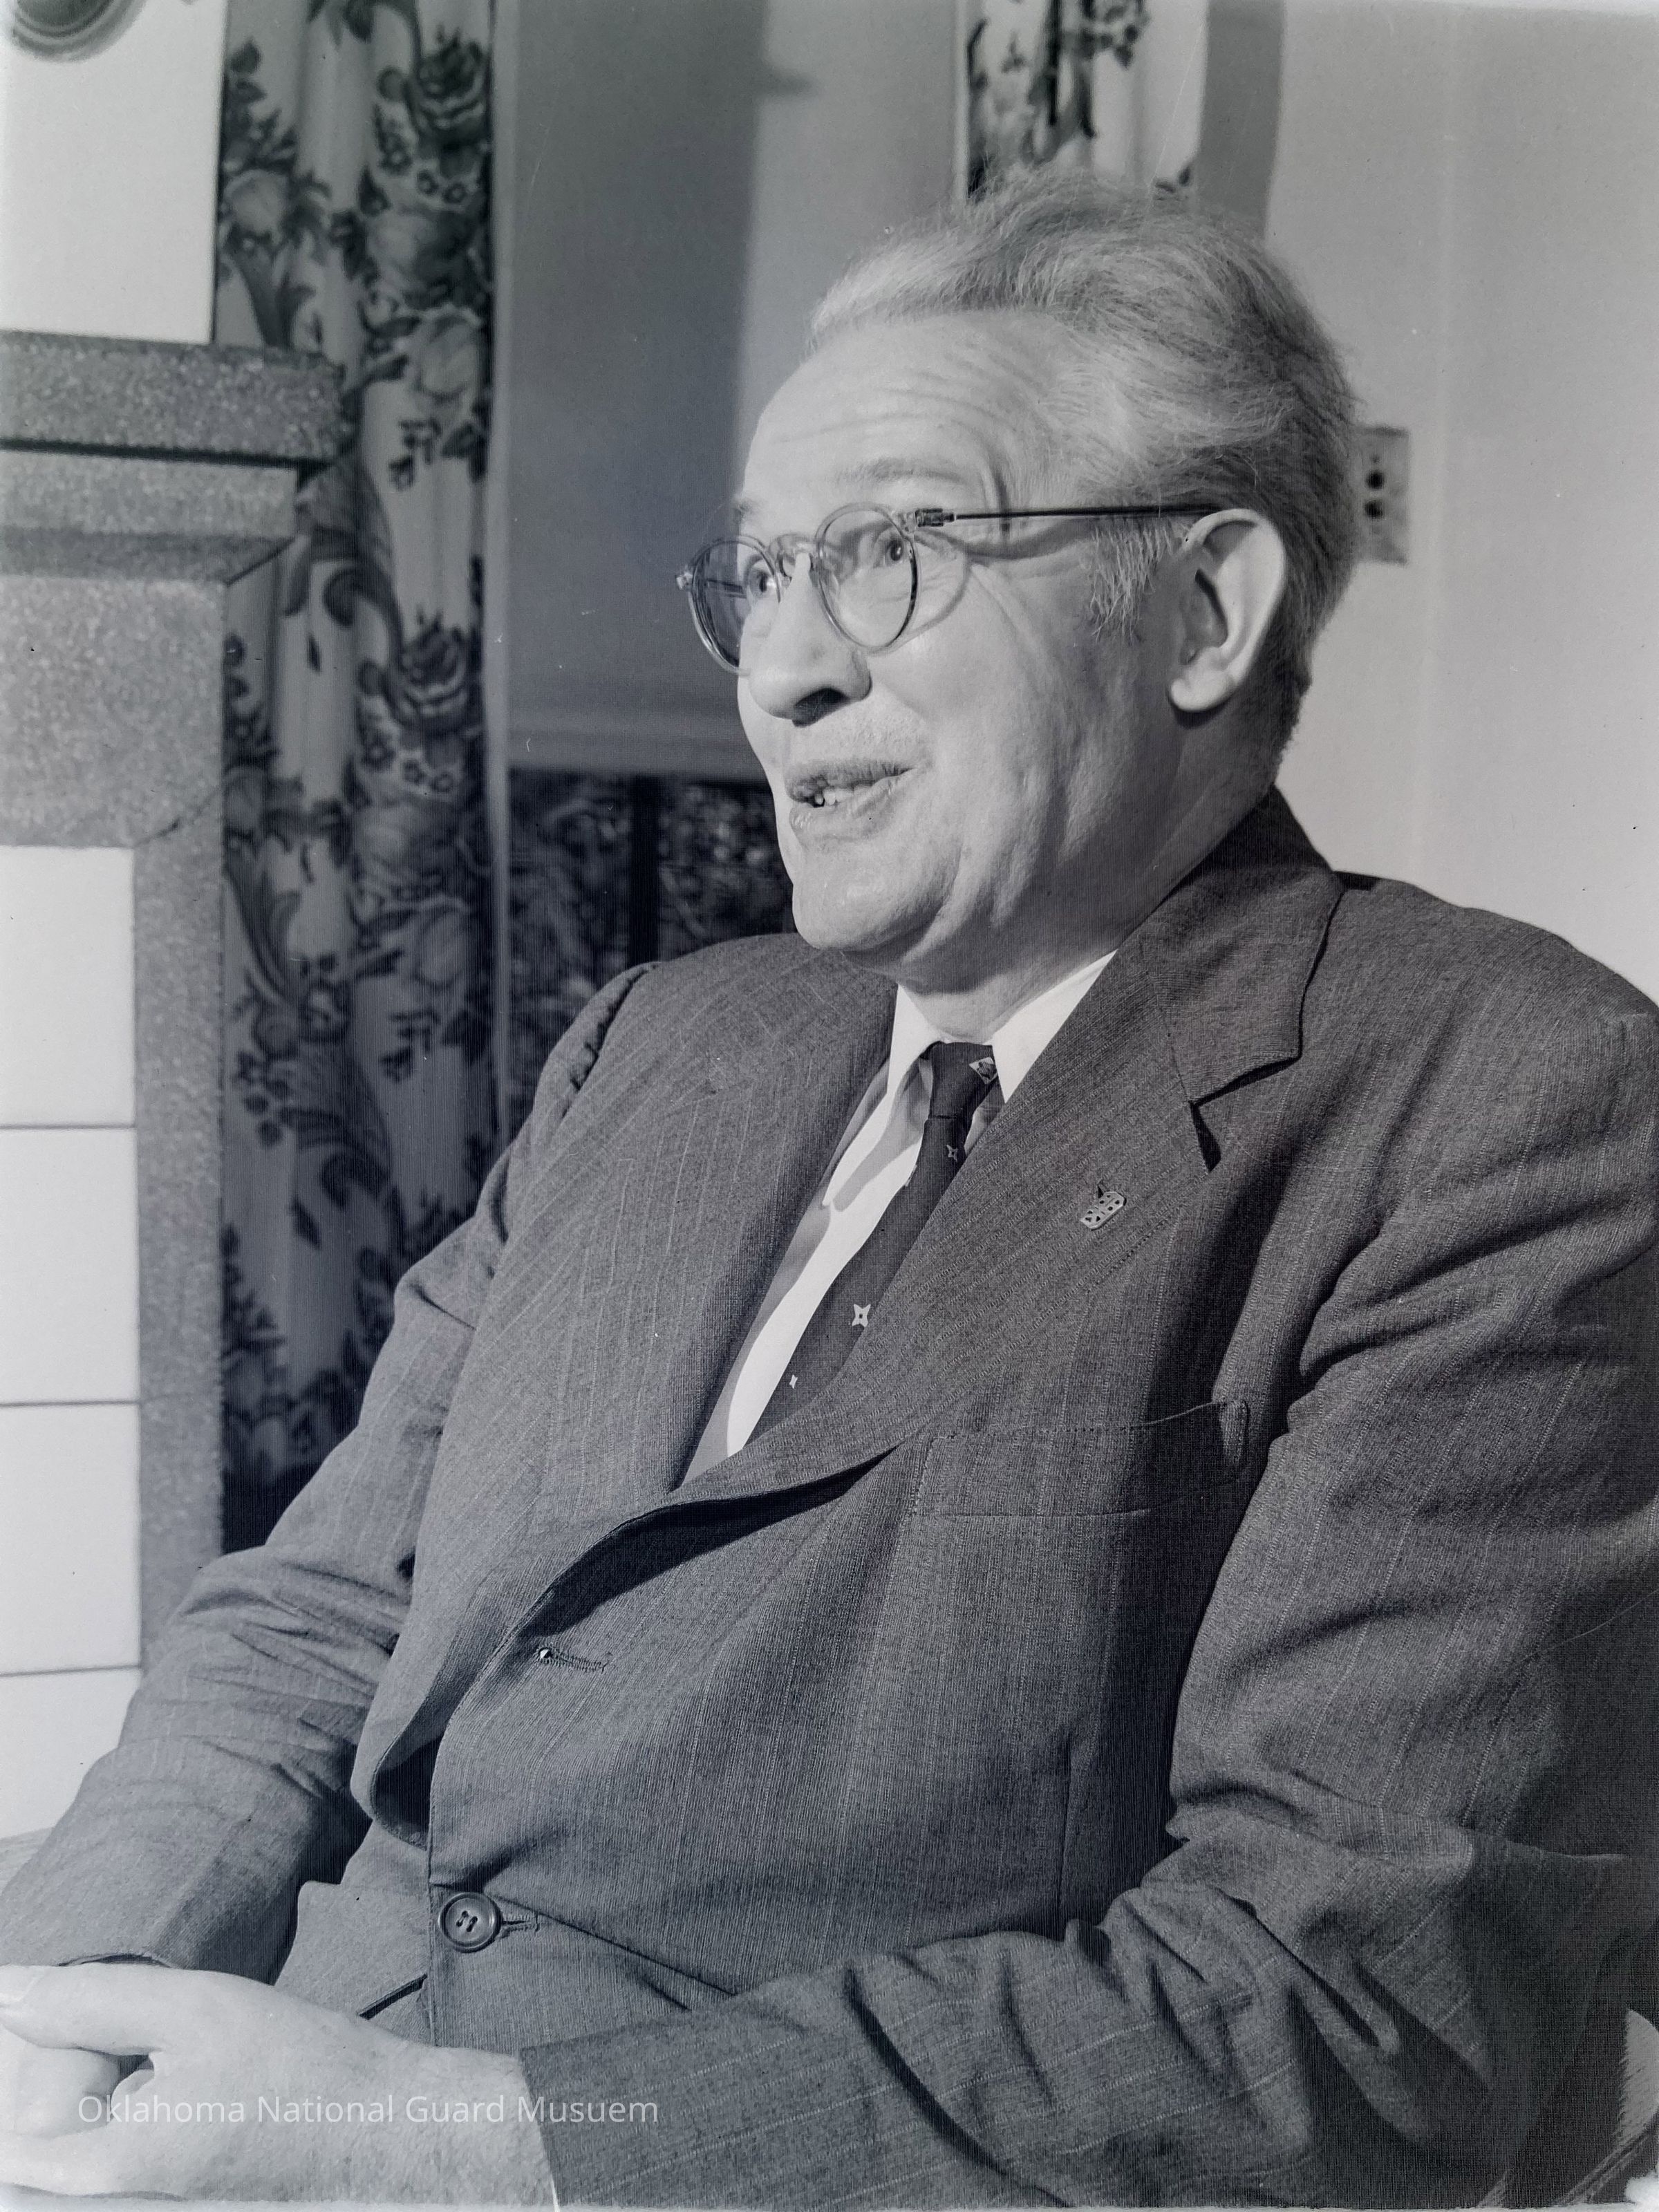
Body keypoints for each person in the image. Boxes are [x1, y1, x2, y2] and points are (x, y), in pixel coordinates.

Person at [1, 170, 1656, 2209]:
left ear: (1204, 611)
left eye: (890, 554)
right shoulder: (659, 1043)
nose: (780, 669)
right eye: (760, 574)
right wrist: (56, 2005)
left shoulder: (1504, 1099)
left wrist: (439, 2148)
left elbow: (1343, 2015)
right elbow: (321, 1612)